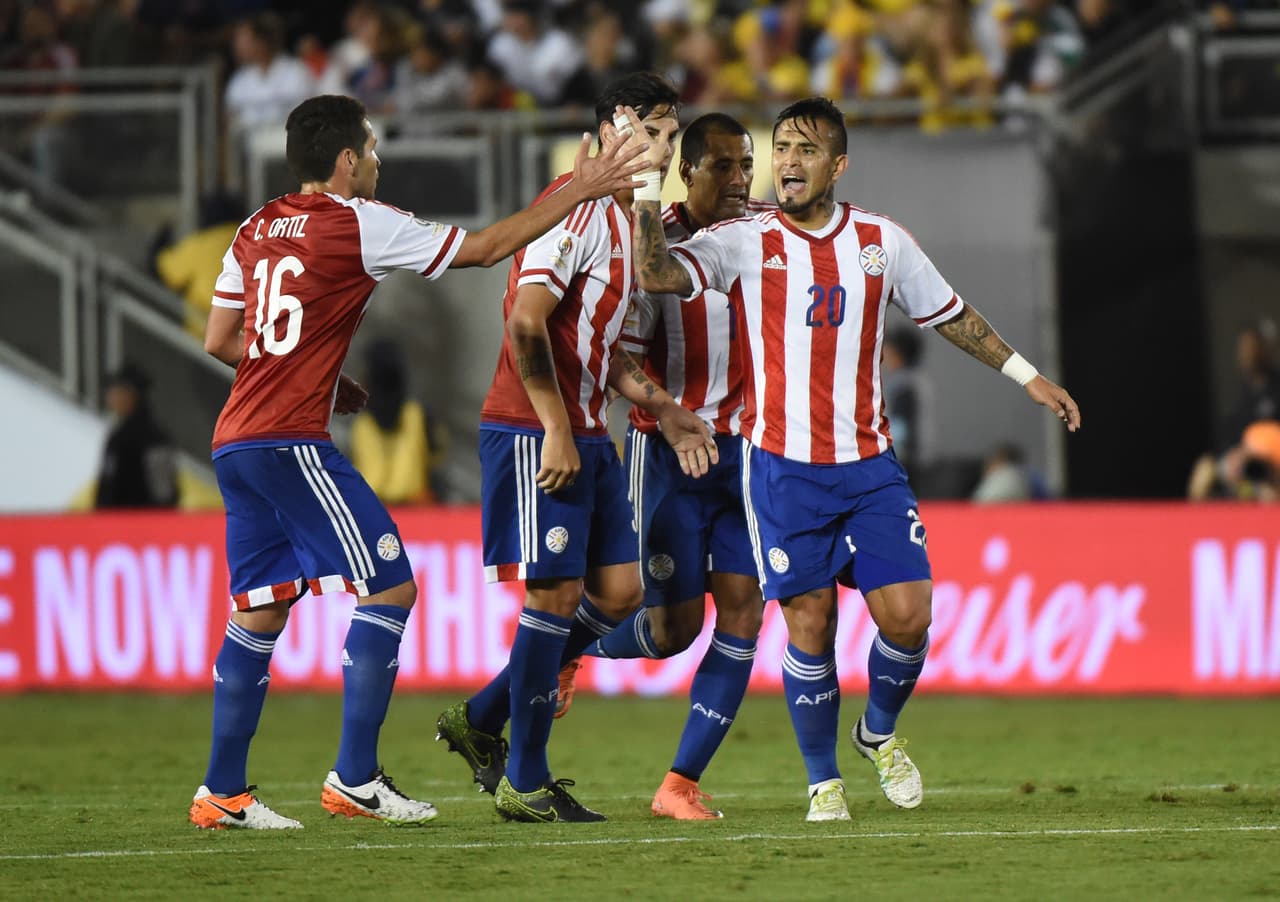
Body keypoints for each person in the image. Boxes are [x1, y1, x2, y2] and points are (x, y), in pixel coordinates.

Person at [189, 92, 647, 831]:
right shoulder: (358, 222)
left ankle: (222, 792)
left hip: (234, 441)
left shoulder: (256, 225)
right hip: (288, 440)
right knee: (391, 588)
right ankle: (356, 779)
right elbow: (487, 248)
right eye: (370, 149)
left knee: (260, 610)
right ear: (345, 161)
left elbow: (222, 338)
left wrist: (321, 377)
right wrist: (579, 188)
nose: (377, 161)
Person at [624, 95, 1080, 821]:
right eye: (781, 149)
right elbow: (656, 274)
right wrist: (647, 190)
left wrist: (1029, 377)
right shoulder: (748, 240)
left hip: (869, 467)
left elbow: (951, 313)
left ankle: (879, 733)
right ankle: (822, 783)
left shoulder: (880, 241)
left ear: (837, 164)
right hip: (781, 468)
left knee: (909, 615)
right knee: (809, 624)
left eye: (805, 150)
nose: (788, 163)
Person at [434, 72, 718, 824]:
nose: (665, 146)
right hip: (537, 429)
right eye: (653, 132)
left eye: (670, 132)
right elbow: (527, 321)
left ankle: (482, 715)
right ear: (616, 133)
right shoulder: (577, 208)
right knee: (553, 598)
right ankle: (526, 779)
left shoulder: (633, 224)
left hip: (590, 431)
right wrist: (556, 426)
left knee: (619, 594)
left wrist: (670, 411)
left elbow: (609, 354)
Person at [577, 112, 768, 820]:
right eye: (723, 165)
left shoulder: (769, 239)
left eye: (748, 164)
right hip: (667, 456)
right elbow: (620, 354)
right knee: (670, 633)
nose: (741, 179)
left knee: (745, 609)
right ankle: (574, 651)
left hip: (747, 455)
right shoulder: (652, 246)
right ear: (686, 171)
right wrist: (666, 413)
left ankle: (678, 783)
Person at [348, 338, 440, 505]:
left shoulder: (362, 422)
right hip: (414, 509)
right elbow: (437, 454)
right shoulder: (417, 414)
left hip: (374, 509)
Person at [94, 365, 179, 510]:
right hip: (119, 524)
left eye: (115, 392)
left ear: (131, 395)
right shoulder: (119, 434)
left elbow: (163, 493)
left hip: (141, 525)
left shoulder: (152, 438)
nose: (110, 398)